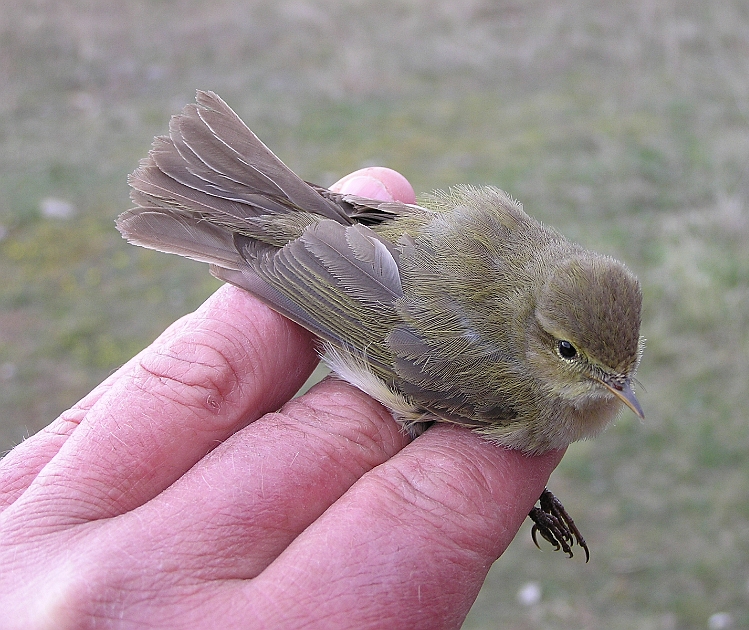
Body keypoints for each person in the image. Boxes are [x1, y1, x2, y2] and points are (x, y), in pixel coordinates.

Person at [0, 168, 565, 629]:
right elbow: (375, 328)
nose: (618, 385)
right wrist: (297, 248)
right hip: (368, 299)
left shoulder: (545, 317)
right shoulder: (512, 382)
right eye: (571, 354)